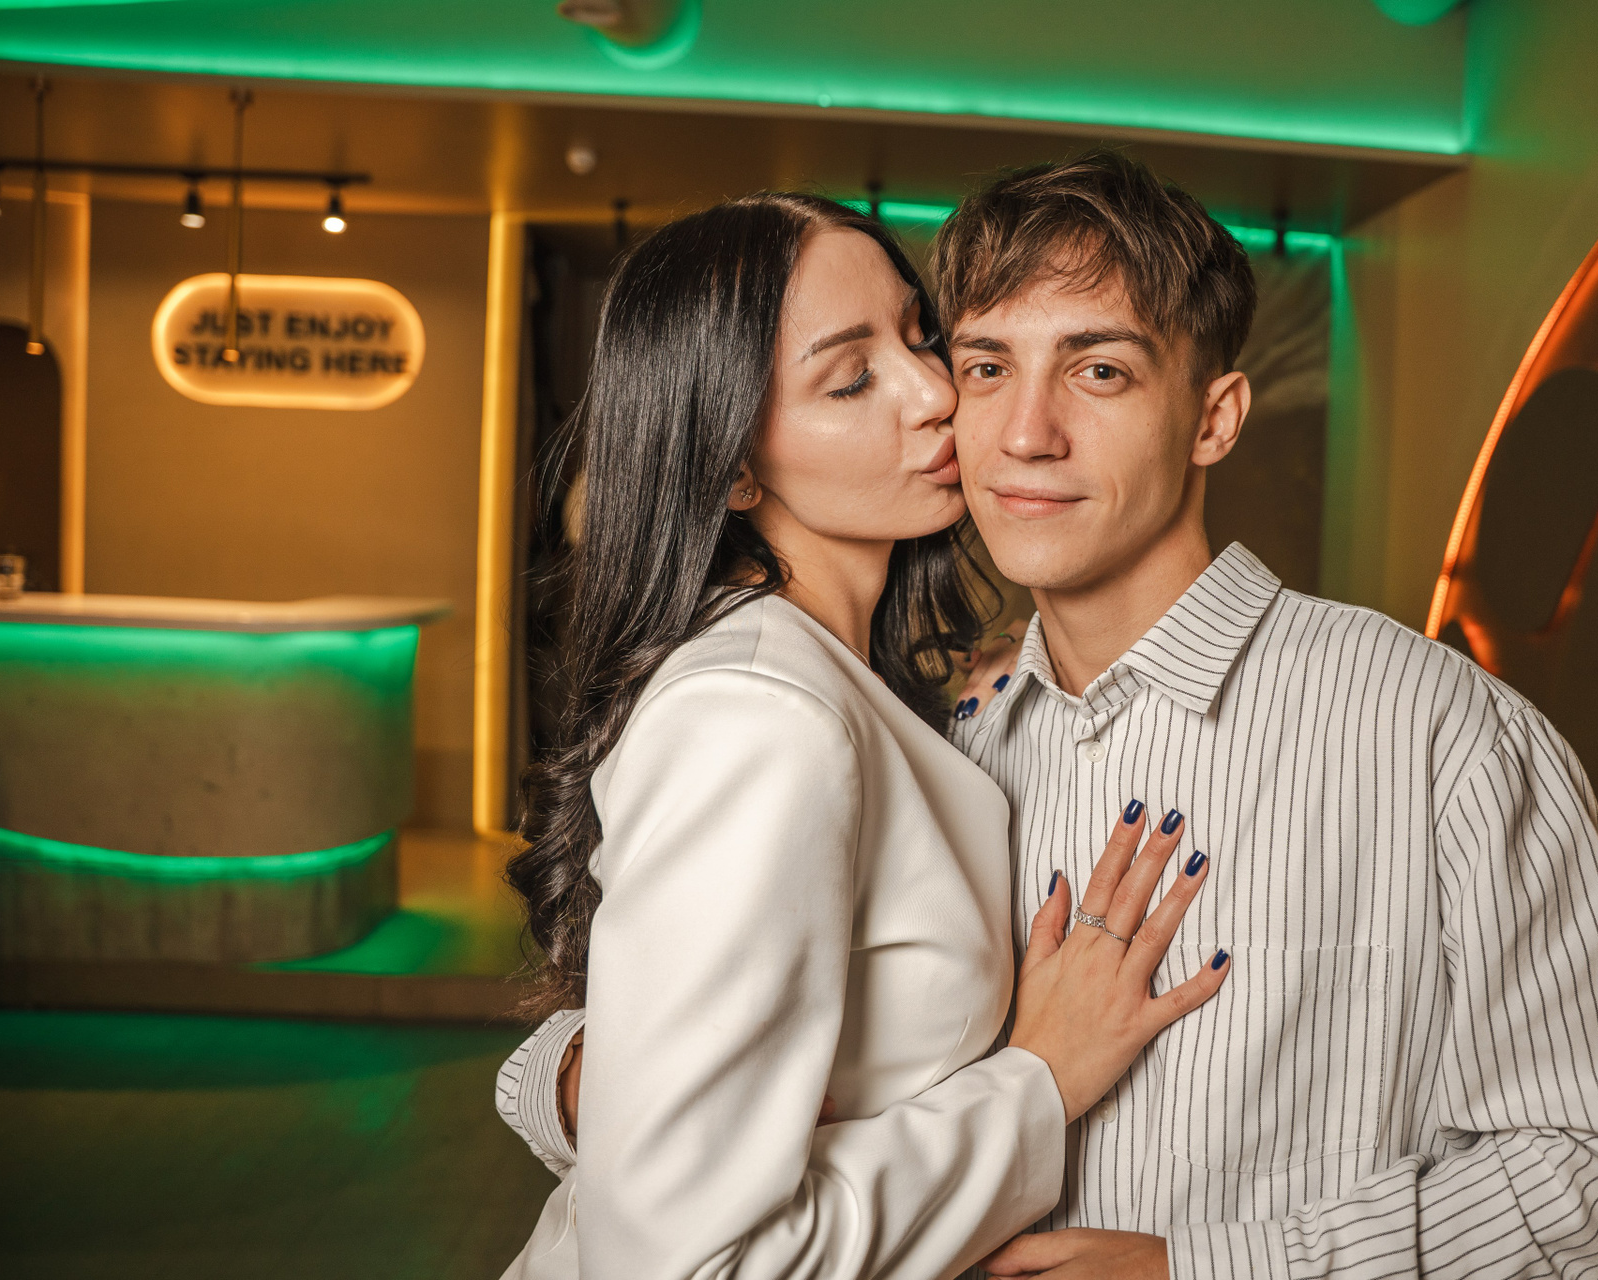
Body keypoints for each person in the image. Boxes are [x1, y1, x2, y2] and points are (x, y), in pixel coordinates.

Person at [940, 150, 1598, 1279]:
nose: (1025, 432)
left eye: (1098, 370)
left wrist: (1205, 1269)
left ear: (1214, 417)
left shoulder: (1435, 730)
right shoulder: (950, 743)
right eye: (987, 366)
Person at [490, 192, 1233, 1280]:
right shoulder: (759, 716)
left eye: (921, 337)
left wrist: (577, 1080)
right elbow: (683, 1264)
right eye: (851, 380)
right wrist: (1037, 1078)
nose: (937, 394)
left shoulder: (847, 682)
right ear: (734, 468)